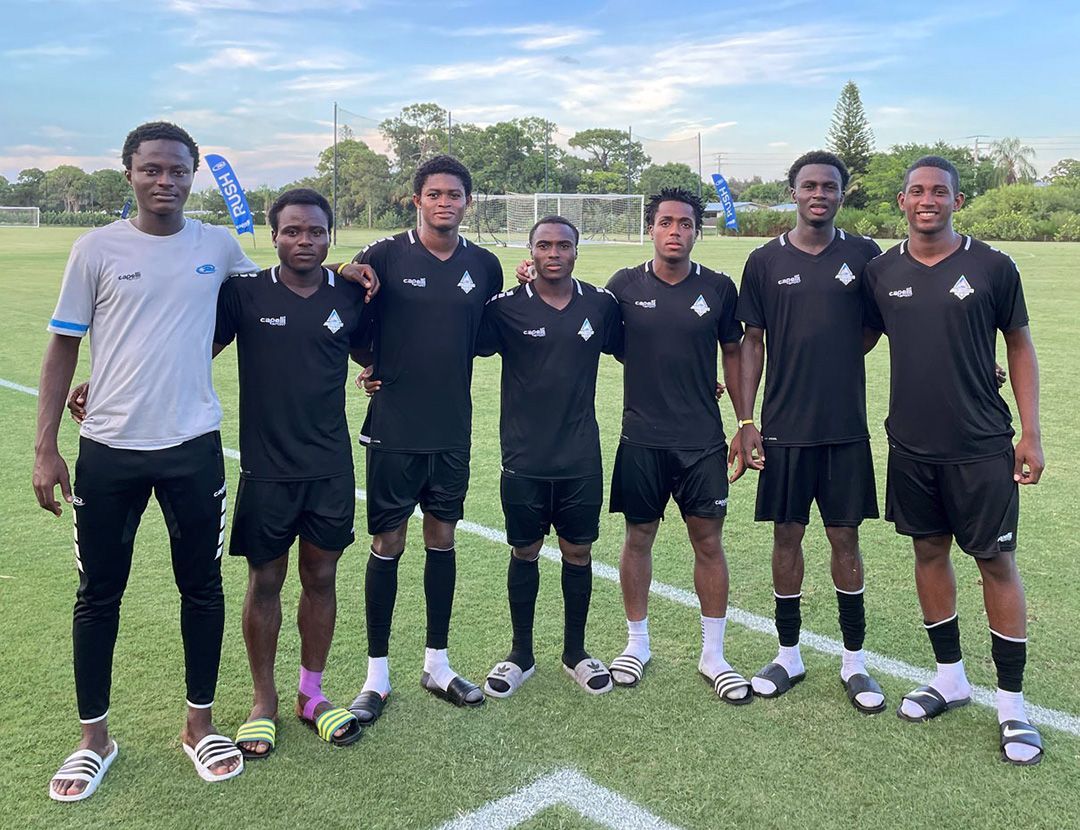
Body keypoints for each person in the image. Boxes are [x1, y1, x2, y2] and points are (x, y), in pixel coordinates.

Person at [34, 121, 256, 799]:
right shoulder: (96, 248)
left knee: (203, 589)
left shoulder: (217, 245)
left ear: (194, 175)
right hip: (108, 450)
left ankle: (199, 726)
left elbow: (273, 299)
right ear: (128, 171)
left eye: (178, 170)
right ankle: (94, 739)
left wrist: (349, 276)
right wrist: (45, 447)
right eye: (152, 168)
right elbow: (64, 344)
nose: (166, 180)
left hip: (193, 449)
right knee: (98, 595)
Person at [517, 189, 749, 702]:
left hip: (702, 441)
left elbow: (733, 353)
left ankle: (714, 655)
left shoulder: (717, 287)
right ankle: (636, 644)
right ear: (651, 229)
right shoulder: (623, 286)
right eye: (665, 222)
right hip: (641, 437)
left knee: (708, 542)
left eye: (685, 224)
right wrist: (530, 278)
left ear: (697, 231)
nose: (675, 231)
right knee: (638, 537)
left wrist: (744, 419)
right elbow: (588, 326)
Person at [862, 156, 1045, 765]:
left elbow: (1019, 344)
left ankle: (1012, 706)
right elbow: (855, 338)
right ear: (901, 201)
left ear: (957, 202)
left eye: (939, 191)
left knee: (995, 561)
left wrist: (1031, 433)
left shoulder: (993, 265)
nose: (927, 200)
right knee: (928, 553)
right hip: (912, 447)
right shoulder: (881, 272)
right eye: (916, 191)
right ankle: (950, 678)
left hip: (981, 446)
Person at [344, 155, 504, 724]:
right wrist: (370, 362)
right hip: (394, 427)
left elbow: (488, 333)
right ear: (416, 200)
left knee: (442, 538)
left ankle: (437, 664)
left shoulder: (484, 266)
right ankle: (376, 676)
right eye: (434, 194)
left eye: (454, 194)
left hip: (451, 428)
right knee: (388, 543)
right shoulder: (385, 255)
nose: (444, 202)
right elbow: (345, 311)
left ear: (467, 202)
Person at [213, 189, 368, 757]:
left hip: (329, 468)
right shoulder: (244, 293)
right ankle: (264, 701)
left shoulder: (350, 294)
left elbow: (378, 352)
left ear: (330, 236)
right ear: (274, 235)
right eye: (293, 231)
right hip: (266, 469)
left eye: (316, 232)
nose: (305, 241)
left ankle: (312, 694)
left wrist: (374, 371)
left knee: (321, 578)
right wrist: (108, 384)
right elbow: (188, 352)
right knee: (266, 581)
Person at [733, 151, 886, 714]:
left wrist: (836, 357)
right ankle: (789, 654)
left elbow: (881, 324)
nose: (819, 193)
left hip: (844, 428)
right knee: (786, 536)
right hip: (785, 428)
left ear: (842, 194)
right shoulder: (764, 260)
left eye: (829, 186)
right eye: (809, 185)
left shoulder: (864, 254)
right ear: (793, 192)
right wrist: (747, 420)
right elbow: (752, 342)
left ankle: (854, 662)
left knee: (846, 539)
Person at [474, 216, 622, 698]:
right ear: (531, 251)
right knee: (525, 551)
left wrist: (699, 382)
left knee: (579, 552)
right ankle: (521, 654)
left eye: (563, 245)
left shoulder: (600, 304)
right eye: (543, 245)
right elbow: (452, 345)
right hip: (524, 458)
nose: (553, 253)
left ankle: (575, 652)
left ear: (577, 251)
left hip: (580, 458)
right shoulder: (504, 308)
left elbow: (642, 352)